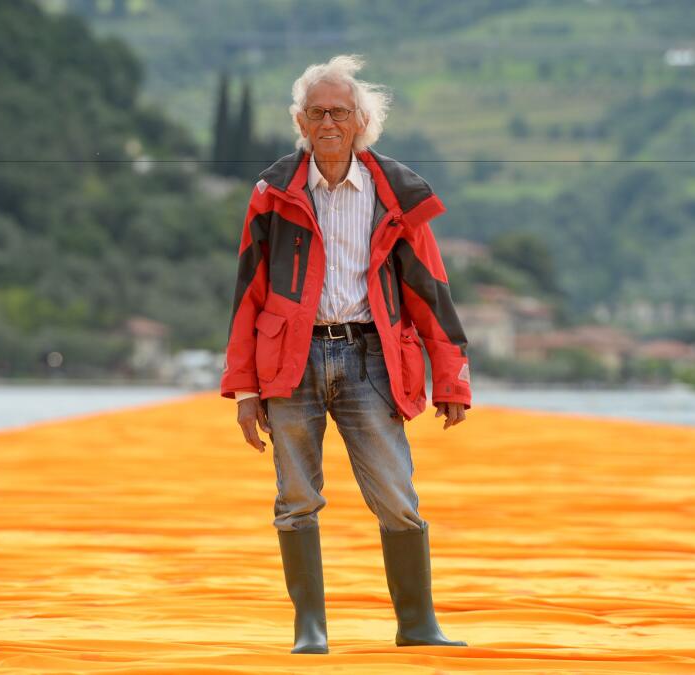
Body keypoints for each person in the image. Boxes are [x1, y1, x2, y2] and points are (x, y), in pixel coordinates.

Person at [220, 55, 471, 654]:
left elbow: (430, 292)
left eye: (339, 111)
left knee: (395, 494)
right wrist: (245, 388)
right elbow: (248, 293)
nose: (328, 121)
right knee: (296, 498)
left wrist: (453, 380)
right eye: (316, 112)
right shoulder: (273, 195)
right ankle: (311, 630)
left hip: (372, 361)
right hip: (290, 362)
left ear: (362, 120)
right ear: (301, 123)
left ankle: (418, 625)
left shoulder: (397, 196)